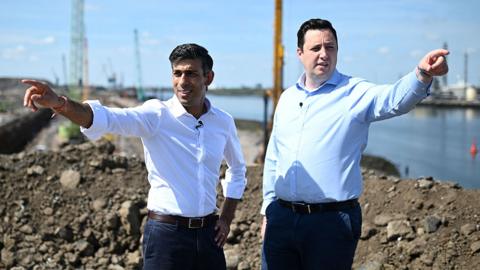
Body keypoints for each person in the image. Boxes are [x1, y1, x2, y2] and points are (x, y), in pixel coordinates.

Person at [23, 43, 247, 270]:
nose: (182, 81)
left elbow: (237, 169)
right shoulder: (156, 115)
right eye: (177, 73)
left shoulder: (223, 121)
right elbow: (105, 118)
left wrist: (226, 218)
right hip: (167, 236)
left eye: (191, 73)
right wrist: (60, 103)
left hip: (210, 235)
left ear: (208, 78)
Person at [261, 18, 448, 270]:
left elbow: (393, 99)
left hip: (330, 223)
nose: (324, 54)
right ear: (300, 53)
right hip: (281, 219)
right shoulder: (286, 98)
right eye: (316, 48)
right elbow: (275, 155)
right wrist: (267, 210)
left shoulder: (354, 92)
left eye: (330, 47)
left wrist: (422, 74)